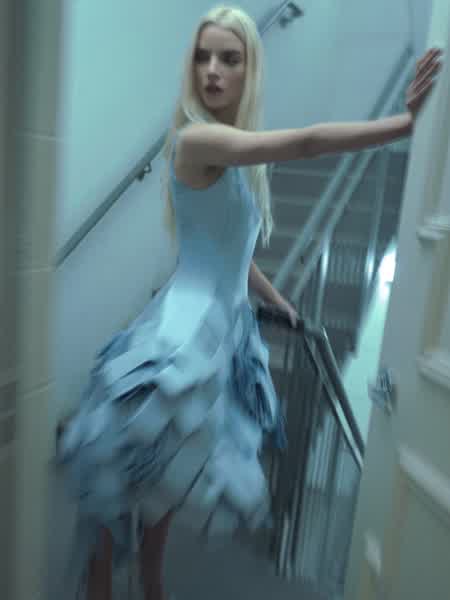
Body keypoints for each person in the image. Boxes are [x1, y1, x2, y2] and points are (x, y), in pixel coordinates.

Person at [56, 5, 442, 600]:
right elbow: (307, 142)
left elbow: (234, 251)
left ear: (249, 70)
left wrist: (278, 300)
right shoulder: (199, 137)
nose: (212, 70)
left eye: (228, 59)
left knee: (170, 473)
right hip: (183, 329)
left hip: (223, 330)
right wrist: (404, 124)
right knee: (124, 467)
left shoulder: (229, 156)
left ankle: (151, 584)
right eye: (202, 57)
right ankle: (105, 586)